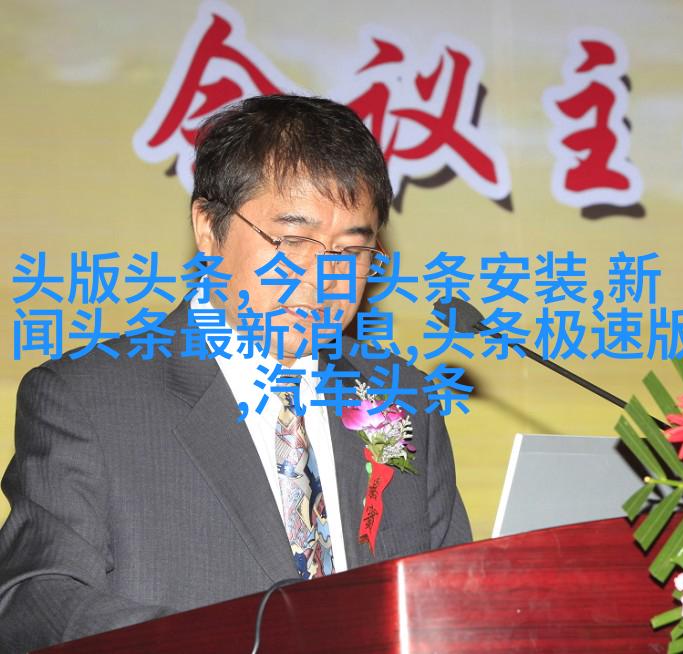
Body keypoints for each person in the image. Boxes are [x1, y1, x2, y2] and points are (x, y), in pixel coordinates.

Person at [0, 94, 471, 653]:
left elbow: (453, 602)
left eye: (350, 250)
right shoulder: (90, 399)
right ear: (208, 227)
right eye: (293, 240)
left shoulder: (403, 397)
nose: (323, 277)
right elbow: (34, 601)